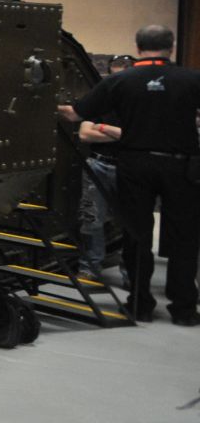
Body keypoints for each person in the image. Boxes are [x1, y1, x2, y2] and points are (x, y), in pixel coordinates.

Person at [58, 25, 200, 325]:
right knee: (184, 237)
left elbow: (74, 114)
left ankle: (140, 304)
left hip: (135, 165)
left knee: (136, 235)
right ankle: (184, 308)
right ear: (171, 48)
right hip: (181, 166)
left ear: (138, 48)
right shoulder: (192, 79)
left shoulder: (120, 80)